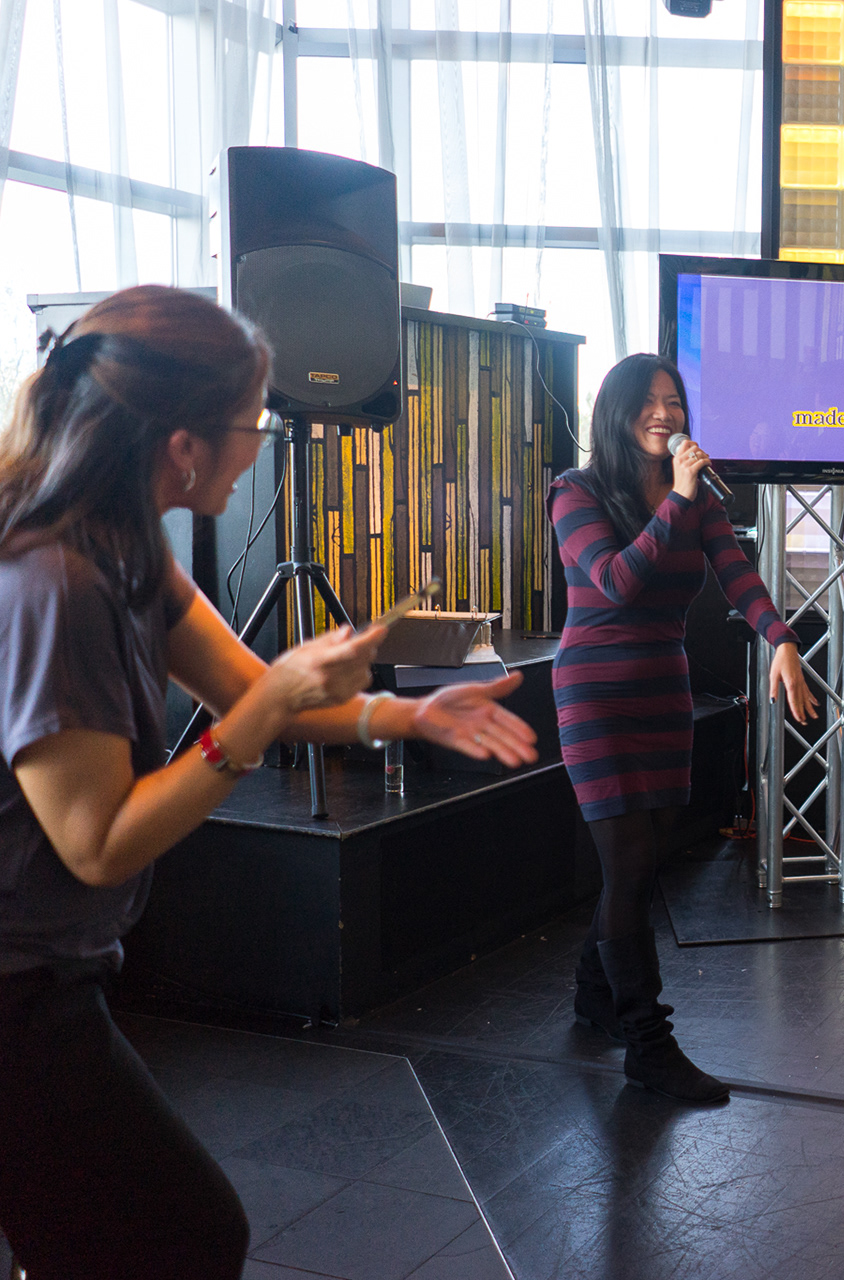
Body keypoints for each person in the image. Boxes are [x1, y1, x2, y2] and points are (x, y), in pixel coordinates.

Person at [0, 286, 539, 1278]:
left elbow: (254, 692)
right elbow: (99, 842)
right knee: (190, 1236)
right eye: (251, 422)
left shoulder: (126, 546)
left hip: (54, 974)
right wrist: (262, 714)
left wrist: (403, 715)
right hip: (15, 992)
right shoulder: (56, 583)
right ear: (184, 446)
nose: (261, 442)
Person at [549, 354, 817, 1104]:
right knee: (629, 862)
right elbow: (617, 581)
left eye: (674, 401)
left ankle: (594, 993)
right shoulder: (574, 492)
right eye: (649, 401)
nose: (665, 414)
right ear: (617, 409)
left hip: (665, 688)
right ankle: (649, 1046)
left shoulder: (696, 499)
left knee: (639, 863)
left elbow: (738, 574)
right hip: (596, 693)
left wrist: (781, 637)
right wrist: (679, 496)